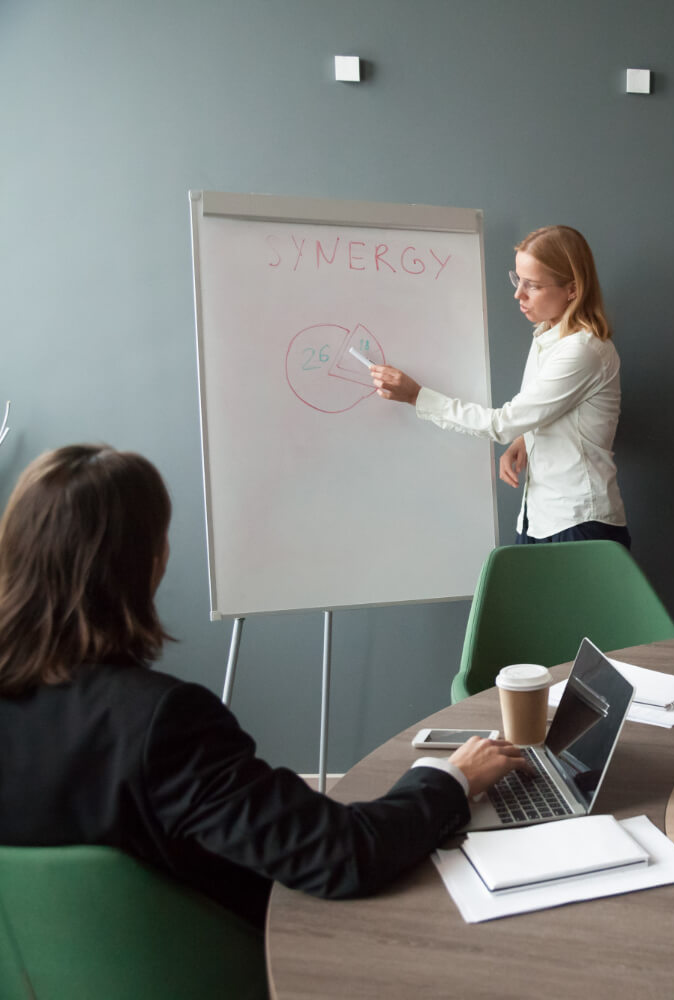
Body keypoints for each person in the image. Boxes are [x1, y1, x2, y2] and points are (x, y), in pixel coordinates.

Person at [0, 444, 525, 929]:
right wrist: (451, 778)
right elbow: (342, 855)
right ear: (147, 563)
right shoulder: (161, 723)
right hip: (216, 969)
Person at [370, 225, 629, 547]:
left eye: (532, 285)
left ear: (572, 289)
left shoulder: (582, 350)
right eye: (517, 279)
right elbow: (551, 412)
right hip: (539, 516)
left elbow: (502, 423)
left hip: (578, 521)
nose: (518, 294)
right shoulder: (547, 336)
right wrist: (525, 437)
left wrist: (417, 397)